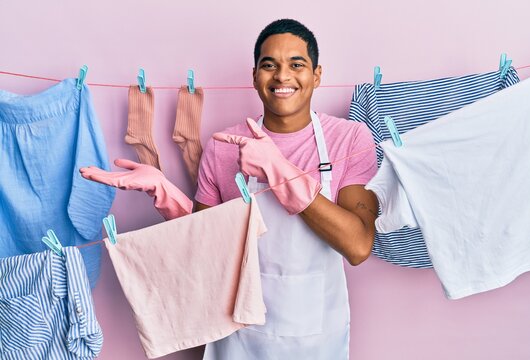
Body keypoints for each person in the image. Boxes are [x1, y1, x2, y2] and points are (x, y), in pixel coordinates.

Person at [81, 18, 378, 360]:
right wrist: (164, 191)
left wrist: (278, 169)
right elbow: (204, 251)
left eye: (297, 64)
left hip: (316, 337)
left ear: (317, 75)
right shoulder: (223, 146)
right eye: (270, 65)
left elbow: (358, 245)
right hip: (239, 339)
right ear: (255, 77)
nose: (282, 76)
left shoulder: (350, 138)